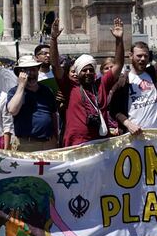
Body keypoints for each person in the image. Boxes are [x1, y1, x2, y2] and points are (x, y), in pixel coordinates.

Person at [50, 18, 123, 147]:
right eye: (84, 70)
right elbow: (55, 65)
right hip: (76, 144)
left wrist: (119, 40)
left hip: (100, 143)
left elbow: (118, 65)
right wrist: (53, 40)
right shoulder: (70, 87)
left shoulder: (101, 85)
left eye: (91, 69)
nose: (88, 72)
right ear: (78, 73)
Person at [107, 13, 157, 135]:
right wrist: (127, 123)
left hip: (155, 135)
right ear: (130, 56)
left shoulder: (155, 73)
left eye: (145, 56)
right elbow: (114, 109)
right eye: (139, 56)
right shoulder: (123, 80)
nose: (142, 59)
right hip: (132, 136)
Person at [8, 56, 59, 151]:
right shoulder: (14, 92)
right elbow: (12, 110)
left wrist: (56, 137)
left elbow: (53, 115)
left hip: (49, 142)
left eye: (33, 70)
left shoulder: (47, 91)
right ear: (20, 73)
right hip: (26, 144)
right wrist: (21, 86)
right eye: (26, 71)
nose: (31, 74)